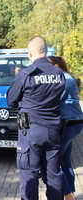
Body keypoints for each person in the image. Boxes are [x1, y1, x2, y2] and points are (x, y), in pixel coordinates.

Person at [7, 36, 65, 200]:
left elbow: (11, 99)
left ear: (29, 53)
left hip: (31, 131)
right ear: (45, 51)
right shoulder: (58, 73)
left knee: (30, 176)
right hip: (53, 130)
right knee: (53, 176)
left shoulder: (26, 73)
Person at [47, 56, 83, 200]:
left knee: (53, 161)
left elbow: (54, 99)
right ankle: (71, 193)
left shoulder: (63, 79)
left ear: (57, 65)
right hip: (73, 123)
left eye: (49, 66)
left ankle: (68, 195)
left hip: (68, 124)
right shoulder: (66, 77)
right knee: (65, 161)